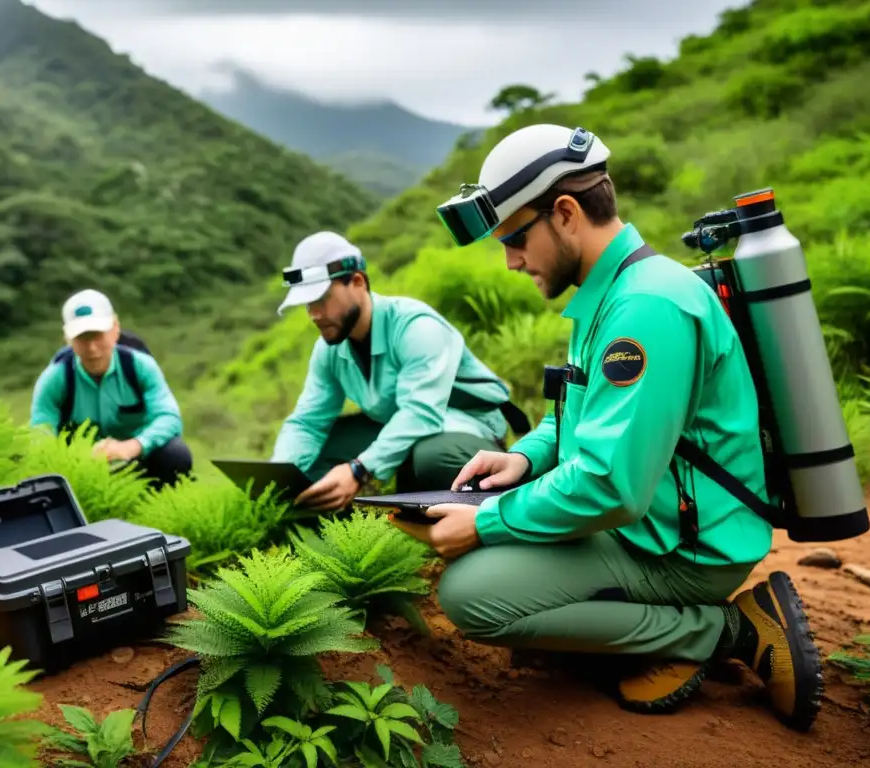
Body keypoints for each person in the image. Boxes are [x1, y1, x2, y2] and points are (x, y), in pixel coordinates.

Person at [390, 123, 822, 731]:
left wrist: (486, 523)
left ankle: (726, 628)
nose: (511, 261)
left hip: (682, 549)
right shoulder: (612, 289)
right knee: (454, 480)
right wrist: (527, 457)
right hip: (653, 520)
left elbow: (610, 486)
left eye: (514, 239)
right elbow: (576, 410)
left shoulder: (645, 308)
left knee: (471, 596)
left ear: (565, 213)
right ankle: (616, 626)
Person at [271, 231, 529, 512]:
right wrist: (278, 477)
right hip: (399, 422)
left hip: (473, 424)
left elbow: (421, 412)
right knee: (314, 456)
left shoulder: (416, 327)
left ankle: (484, 510)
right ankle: (331, 532)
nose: (314, 314)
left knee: (430, 458)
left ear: (357, 282)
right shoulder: (329, 349)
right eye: (308, 304)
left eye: (322, 299)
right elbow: (307, 423)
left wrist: (360, 469)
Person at [29, 289, 193, 488]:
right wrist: (75, 458)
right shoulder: (54, 380)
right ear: (68, 338)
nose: (92, 348)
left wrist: (133, 446)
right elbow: (40, 434)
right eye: (82, 338)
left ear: (115, 329)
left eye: (97, 335)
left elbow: (169, 418)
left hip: (138, 459)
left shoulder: (140, 367)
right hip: (80, 470)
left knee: (175, 453)